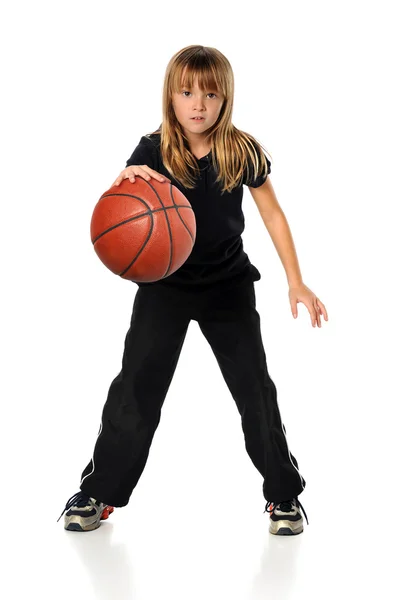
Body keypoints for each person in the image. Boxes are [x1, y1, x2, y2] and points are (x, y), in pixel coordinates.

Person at [57, 44, 328, 536]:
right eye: (186, 93)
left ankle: (283, 496)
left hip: (228, 286)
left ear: (225, 99)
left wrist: (296, 280)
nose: (198, 104)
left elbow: (271, 213)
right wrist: (124, 178)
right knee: (136, 387)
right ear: (171, 96)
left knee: (255, 390)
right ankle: (98, 492)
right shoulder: (153, 147)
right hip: (165, 287)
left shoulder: (242, 149)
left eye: (209, 94)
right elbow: (124, 206)